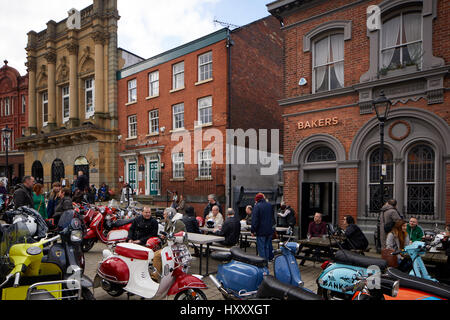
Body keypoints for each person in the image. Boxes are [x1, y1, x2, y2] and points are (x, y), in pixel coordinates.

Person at [152, 208, 187, 281]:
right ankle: (161, 273)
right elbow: (169, 236)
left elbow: (177, 238)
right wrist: (164, 236)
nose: (163, 216)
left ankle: (155, 277)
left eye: (164, 214)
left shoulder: (178, 223)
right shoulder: (168, 222)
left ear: (170, 214)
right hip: (170, 245)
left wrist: (166, 239)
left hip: (177, 248)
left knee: (156, 255)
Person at [251, 193, 275, 261]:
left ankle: (263, 264)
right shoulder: (269, 205)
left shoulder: (257, 206)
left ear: (257, 200)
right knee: (267, 247)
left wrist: (253, 230)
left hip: (261, 231)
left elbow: (255, 220)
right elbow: (272, 218)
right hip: (269, 230)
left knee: (261, 248)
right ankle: (266, 262)